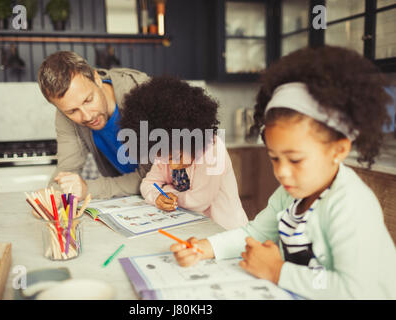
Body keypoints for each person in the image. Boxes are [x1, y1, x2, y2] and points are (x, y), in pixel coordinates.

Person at [169, 46, 396, 299]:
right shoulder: (290, 195)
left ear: (339, 149)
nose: (282, 173)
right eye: (274, 159)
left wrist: (278, 271)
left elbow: (356, 289)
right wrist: (206, 247)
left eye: (296, 160)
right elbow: (254, 233)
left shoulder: (350, 204)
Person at [119, 76, 249, 230]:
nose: (172, 165)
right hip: (195, 230)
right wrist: (157, 198)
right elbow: (147, 184)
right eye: (165, 158)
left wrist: (167, 190)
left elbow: (199, 201)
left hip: (227, 231)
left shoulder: (213, 149)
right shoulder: (166, 150)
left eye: (177, 157)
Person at [37, 51, 151, 200]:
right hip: (129, 199)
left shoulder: (141, 94)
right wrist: (53, 197)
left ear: (97, 79)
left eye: (88, 100)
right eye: (72, 111)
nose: (87, 116)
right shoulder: (64, 115)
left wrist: (88, 189)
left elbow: (152, 175)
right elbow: (66, 171)